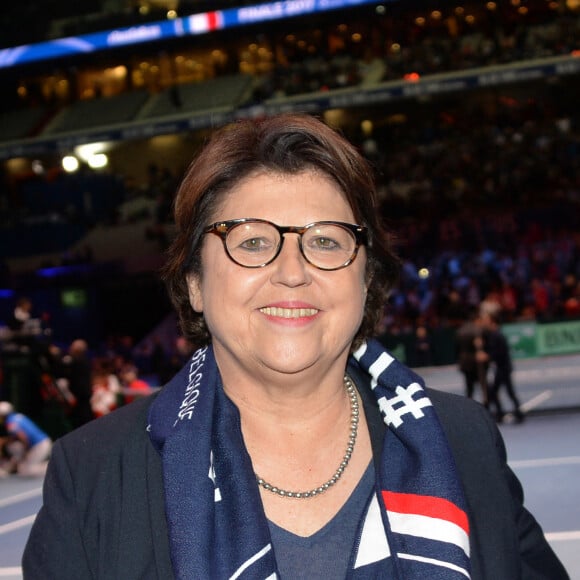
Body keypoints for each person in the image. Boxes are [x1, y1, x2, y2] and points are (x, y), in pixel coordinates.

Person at [23, 114, 568, 579]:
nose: (292, 272)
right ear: (194, 282)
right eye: (252, 241)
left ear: (366, 279)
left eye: (326, 241)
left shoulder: (463, 440)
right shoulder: (94, 472)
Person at [481, 312, 525, 423]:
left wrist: (487, 356)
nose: (484, 322)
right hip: (501, 368)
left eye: (486, 320)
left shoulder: (497, 335)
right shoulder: (493, 334)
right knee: (497, 391)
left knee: (503, 391)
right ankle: (503, 413)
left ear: (492, 322)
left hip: (503, 368)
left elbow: (499, 352)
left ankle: (512, 413)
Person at [0, 401, 52, 477]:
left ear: (3, 415)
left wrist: (26, 451)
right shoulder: (18, 416)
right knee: (23, 465)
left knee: (26, 470)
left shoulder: (11, 423)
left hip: (39, 445)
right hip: (43, 442)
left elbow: (23, 437)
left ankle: (53, 467)